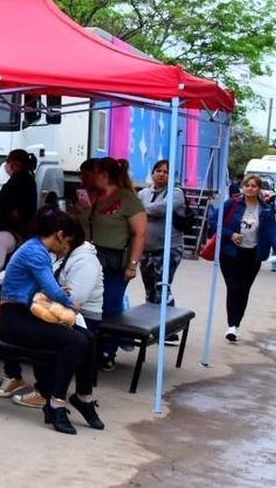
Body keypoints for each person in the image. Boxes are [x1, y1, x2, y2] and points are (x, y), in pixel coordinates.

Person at [0, 209, 104, 435]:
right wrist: (70, 302)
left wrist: (60, 295)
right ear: (60, 235)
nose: (66, 248)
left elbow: (47, 288)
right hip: (12, 319)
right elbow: (52, 289)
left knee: (88, 338)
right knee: (75, 342)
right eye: (68, 242)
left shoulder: (36, 248)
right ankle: (56, 403)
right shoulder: (36, 252)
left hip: (24, 314)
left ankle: (83, 397)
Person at [73, 157, 147, 370]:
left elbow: (140, 233)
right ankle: (89, 347)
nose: (87, 177)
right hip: (90, 256)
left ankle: (108, 350)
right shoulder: (93, 197)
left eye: (92, 172)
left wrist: (133, 264)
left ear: (103, 174)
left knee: (110, 305)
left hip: (114, 259)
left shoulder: (127, 199)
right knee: (86, 303)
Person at [219, 174, 276, 342]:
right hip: (230, 254)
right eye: (247, 185)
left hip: (252, 255)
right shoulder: (232, 204)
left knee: (244, 290)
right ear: (242, 187)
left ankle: (236, 324)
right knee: (233, 288)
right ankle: (231, 325)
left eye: (254, 186)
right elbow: (214, 221)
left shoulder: (266, 209)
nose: (250, 188)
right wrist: (231, 235)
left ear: (259, 189)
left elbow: (272, 230)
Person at [137, 159, 189, 320]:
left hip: (169, 248)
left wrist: (143, 211)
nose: (162, 174)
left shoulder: (176, 193)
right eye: (159, 170)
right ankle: (152, 322)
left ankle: (168, 327)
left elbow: (162, 208)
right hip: (146, 249)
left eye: (166, 172)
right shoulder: (143, 193)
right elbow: (135, 212)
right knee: (149, 288)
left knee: (162, 287)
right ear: (152, 173)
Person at [0, 148, 38, 277]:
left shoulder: (18, 182)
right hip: (20, 229)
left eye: (7, 162)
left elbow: (10, 209)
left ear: (14, 164)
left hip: (13, 229)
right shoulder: (26, 180)